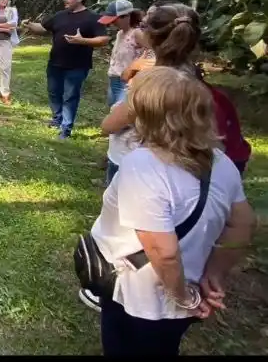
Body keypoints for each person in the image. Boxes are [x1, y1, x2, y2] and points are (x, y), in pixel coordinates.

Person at [89, 66, 255, 356]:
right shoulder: (221, 162)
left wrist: (182, 296)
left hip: (138, 295)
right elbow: (244, 223)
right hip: (182, 293)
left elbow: (163, 251)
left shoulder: (142, 166)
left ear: (145, 114)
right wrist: (214, 272)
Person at [22, 0, 109, 139]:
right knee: (54, 92)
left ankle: (66, 129)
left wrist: (82, 41)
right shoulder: (60, 15)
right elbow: (43, 28)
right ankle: (57, 119)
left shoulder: (93, 18)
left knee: (70, 96)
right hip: (55, 62)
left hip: (77, 65)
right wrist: (29, 25)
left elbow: (103, 40)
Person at [99, 0, 145, 107]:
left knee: (120, 113)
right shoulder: (120, 33)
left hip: (128, 82)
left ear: (127, 16)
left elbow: (150, 53)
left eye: (115, 20)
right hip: (114, 79)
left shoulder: (137, 33)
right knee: (112, 109)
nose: (112, 23)